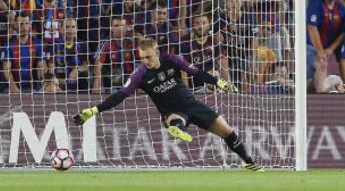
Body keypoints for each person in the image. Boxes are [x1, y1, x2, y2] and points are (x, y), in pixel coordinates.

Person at [74, 38, 263, 172]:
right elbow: (119, 96)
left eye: (149, 57)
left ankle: (247, 162)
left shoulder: (171, 60)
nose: (146, 61)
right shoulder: (139, 75)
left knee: (227, 131)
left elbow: (196, 72)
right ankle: (176, 128)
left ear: (157, 52)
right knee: (175, 120)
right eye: (142, 58)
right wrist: (93, 110)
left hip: (192, 104)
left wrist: (219, 83)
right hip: (172, 111)